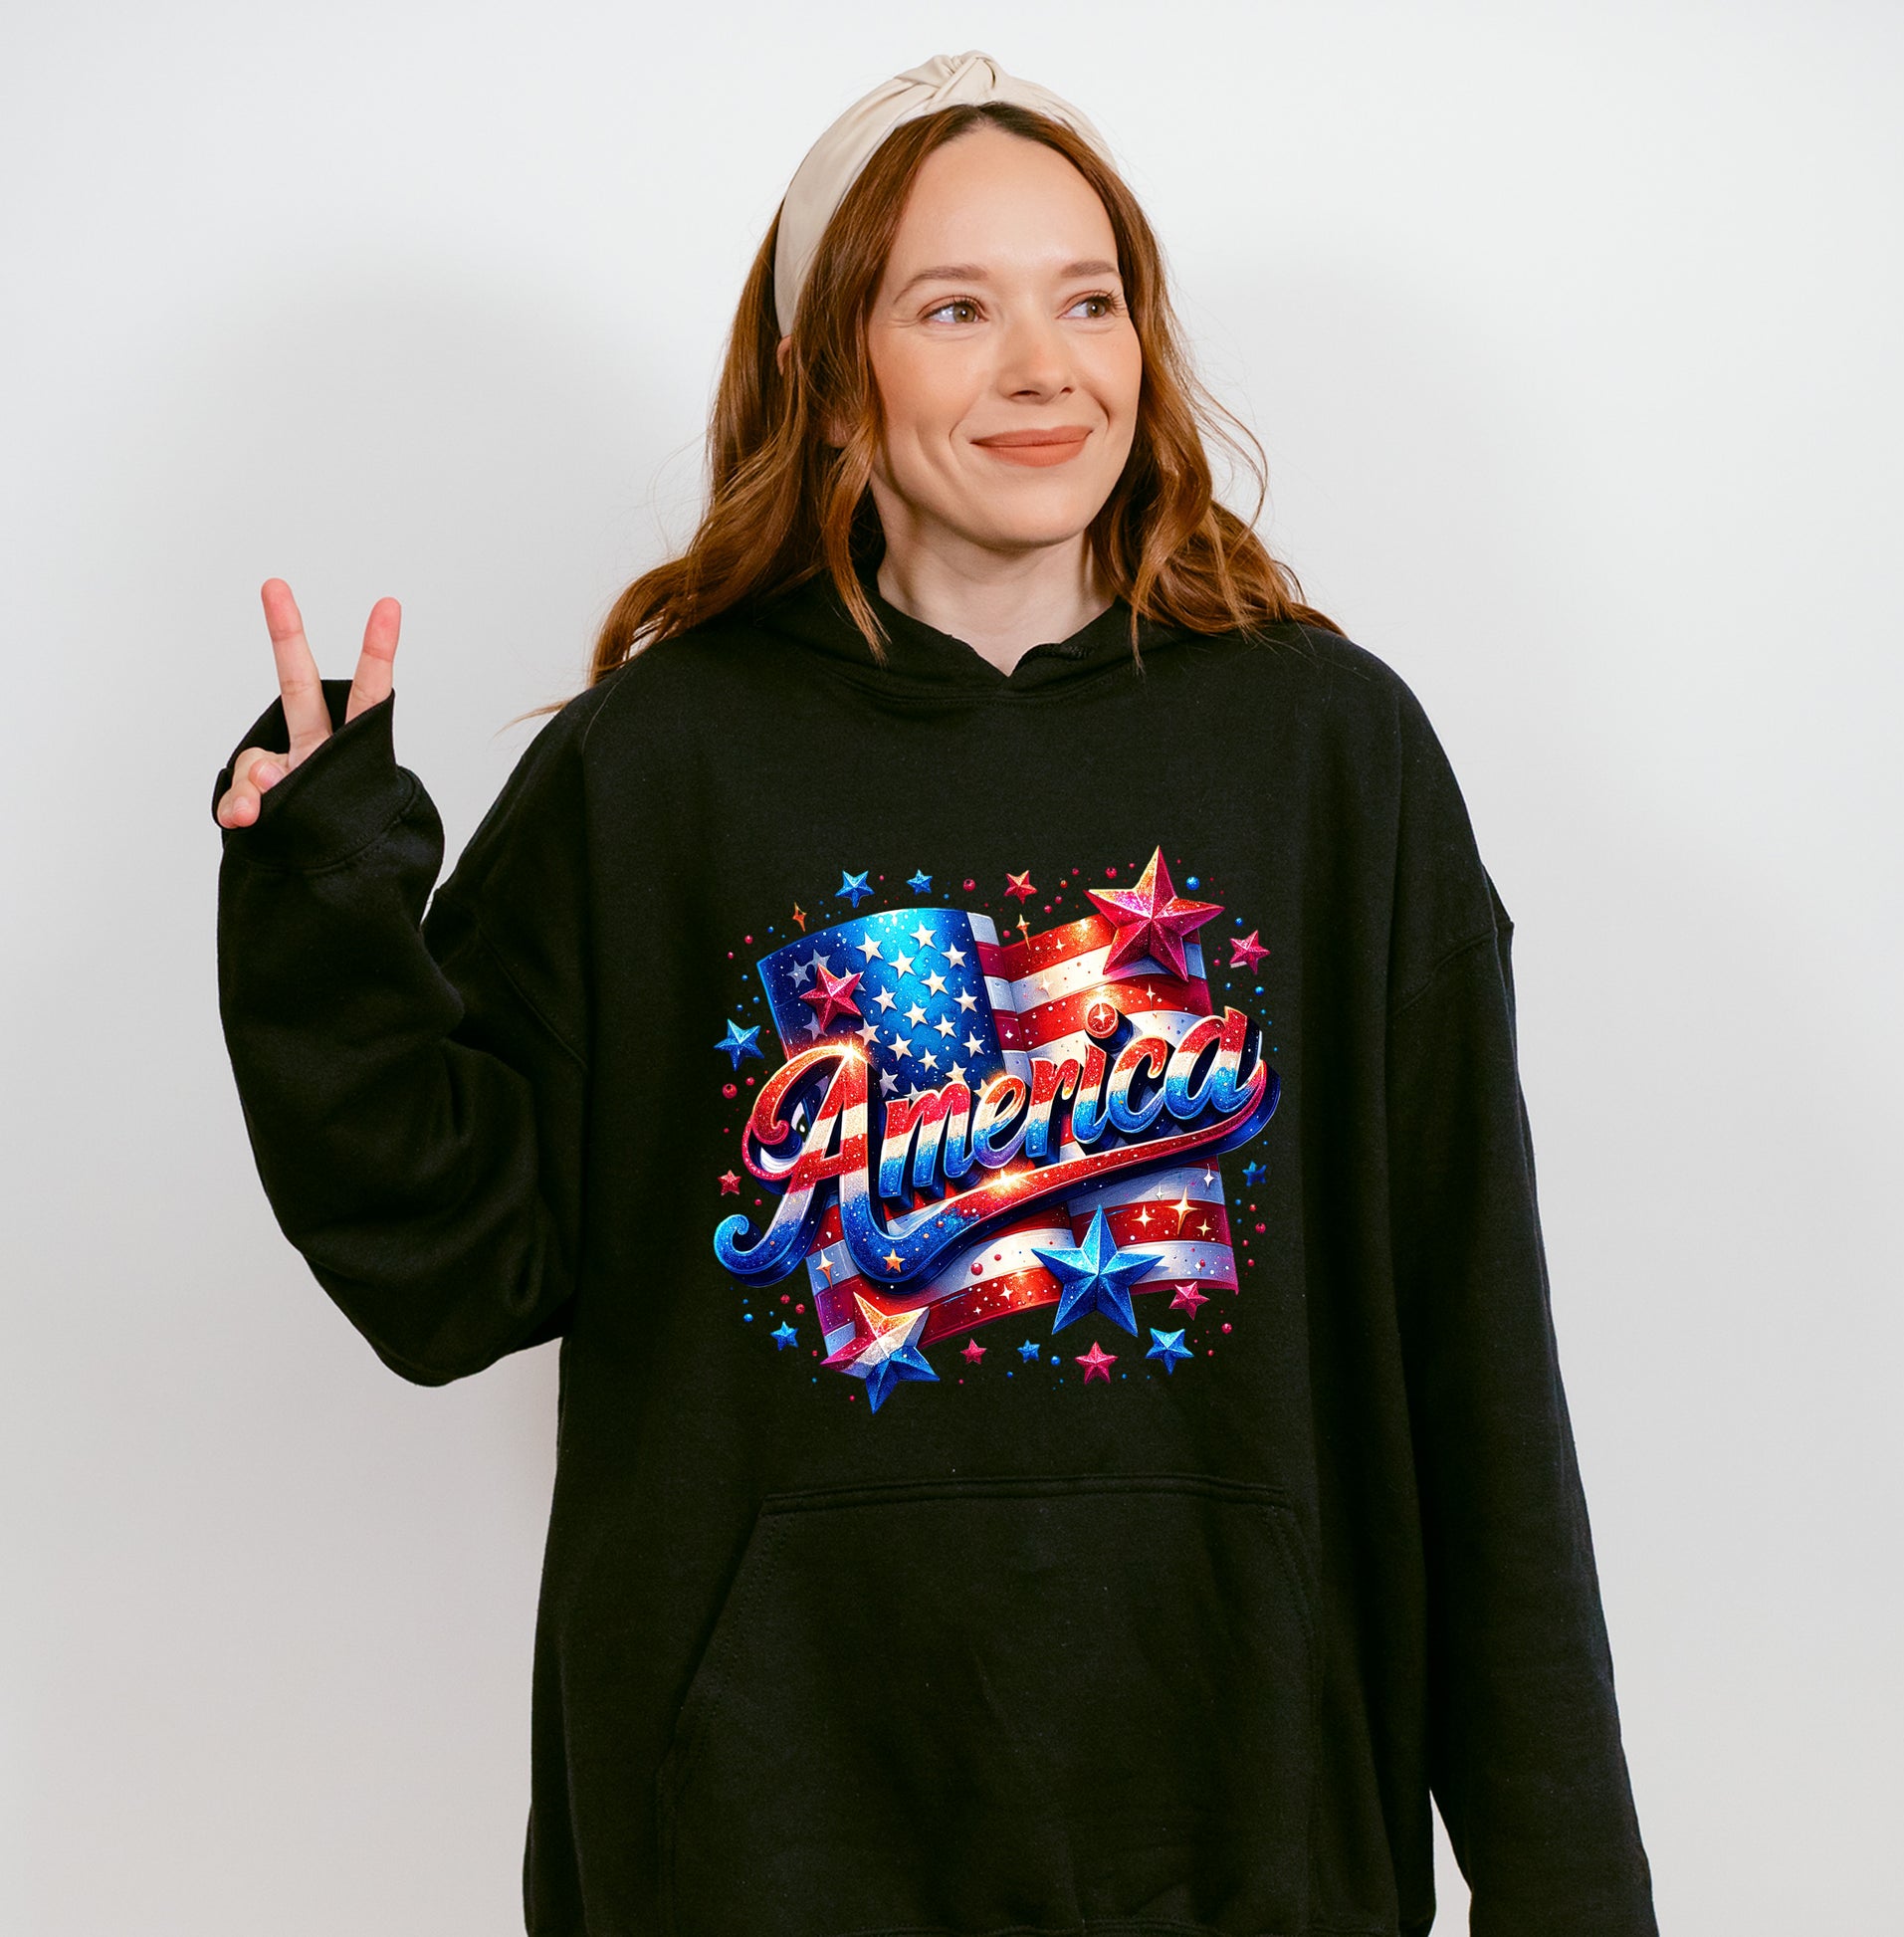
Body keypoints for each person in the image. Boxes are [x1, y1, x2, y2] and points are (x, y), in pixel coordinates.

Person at [211, 50, 1658, 1937]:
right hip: (762, 1847)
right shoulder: (661, 766)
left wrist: (1568, 1888)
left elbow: (1474, 1363)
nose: (1047, 369)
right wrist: (323, 900)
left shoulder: (1326, 755)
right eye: (956, 309)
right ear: (833, 375)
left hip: (1244, 1827)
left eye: (1089, 300)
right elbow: (448, 1269)